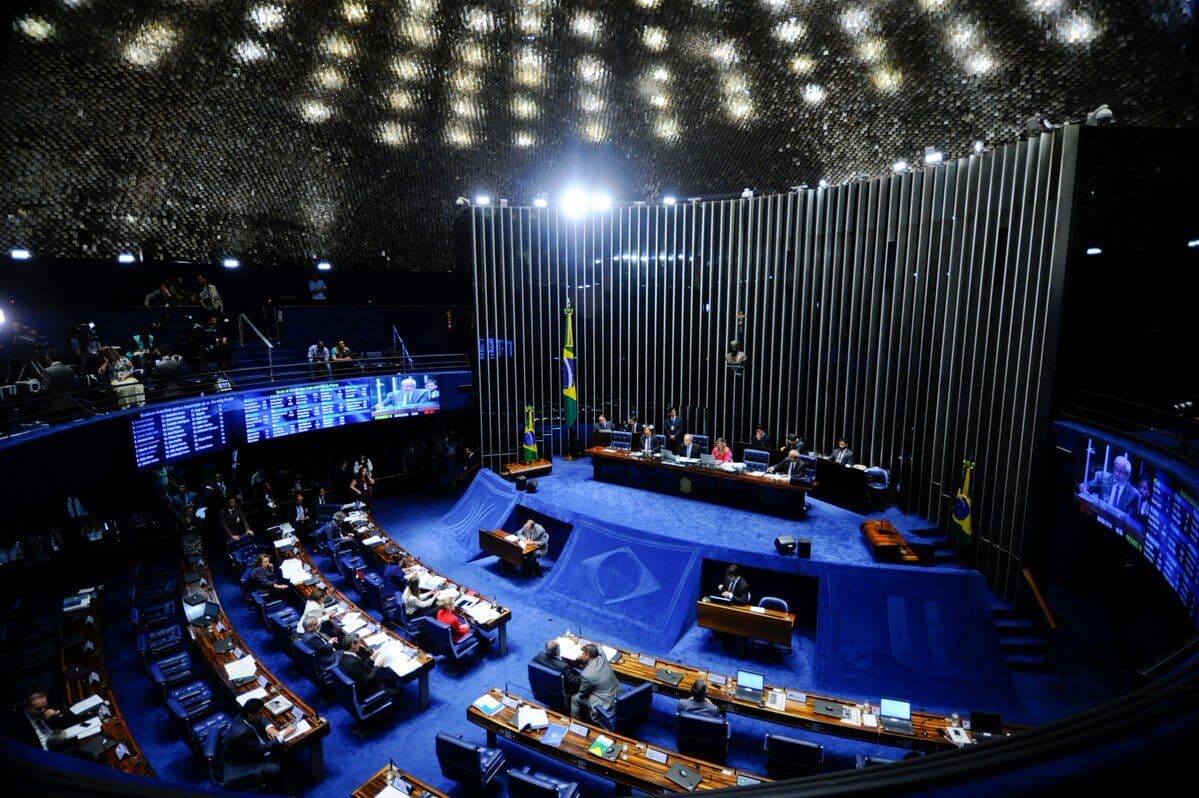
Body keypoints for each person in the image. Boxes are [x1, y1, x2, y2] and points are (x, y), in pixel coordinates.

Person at [221, 697, 294, 793]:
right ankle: (290, 792)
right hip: (243, 765)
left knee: (279, 753)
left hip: (243, 752)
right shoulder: (242, 733)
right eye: (260, 713)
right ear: (251, 716)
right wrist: (283, 735)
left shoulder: (241, 716)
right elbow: (260, 750)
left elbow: (261, 718)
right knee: (277, 767)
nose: (262, 715)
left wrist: (269, 727)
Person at [338, 633, 402, 698]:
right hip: (368, 689)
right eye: (359, 642)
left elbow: (361, 666)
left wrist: (372, 657)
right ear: (353, 645)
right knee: (400, 691)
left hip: (361, 680)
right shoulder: (352, 663)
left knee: (390, 681)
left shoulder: (344, 655)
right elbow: (367, 680)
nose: (360, 645)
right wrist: (377, 666)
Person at [571, 643, 622, 722]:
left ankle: (575, 722)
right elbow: (598, 645)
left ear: (587, 656)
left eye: (583, 653)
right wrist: (587, 646)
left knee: (574, 698)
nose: (581, 654)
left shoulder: (587, 675)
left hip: (605, 703)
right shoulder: (602, 657)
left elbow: (582, 694)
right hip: (617, 692)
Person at [8, 692, 74, 751]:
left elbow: (68, 716)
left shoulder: (48, 710)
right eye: (38, 709)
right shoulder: (20, 725)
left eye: (45, 706)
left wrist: (56, 713)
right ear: (28, 708)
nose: (43, 710)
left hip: (58, 745)